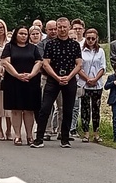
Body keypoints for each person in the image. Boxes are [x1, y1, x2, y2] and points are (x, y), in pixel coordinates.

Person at [32, 17, 82, 148]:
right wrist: (56, 77)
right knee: (45, 108)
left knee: (67, 109)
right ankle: (39, 138)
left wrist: (69, 76)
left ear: (69, 27)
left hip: (69, 79)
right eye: (59, 27)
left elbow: (79, 64)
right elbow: (46, 63)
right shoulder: (50, 44)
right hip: (53, 80)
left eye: (64, 27)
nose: (62, 29)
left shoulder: (75, 45)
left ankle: (65, 139)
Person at [1, 26, 43, 145]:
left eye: (25, 34)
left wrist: (31, 74)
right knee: (16, 109)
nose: (24, 36)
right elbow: (5, 62)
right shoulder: (9, 47)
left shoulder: (33, 48)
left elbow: (39, 62)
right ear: (16, 35)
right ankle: (17, 135)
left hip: (31, 81)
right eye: (21, 33)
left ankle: (29, 135)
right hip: (14, 81)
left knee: (29, 109)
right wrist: (17, 75)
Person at [77, 29, 106, 143]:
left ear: (96, 38)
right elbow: (78, 67)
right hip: (84, 84)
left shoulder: (101, 51)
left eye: (93, 38)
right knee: (85, 109)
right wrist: (87, 79)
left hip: (97, 84)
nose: (90, 41)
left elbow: (103, 67)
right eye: (88, 38)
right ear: (85, 37)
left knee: (96, 109)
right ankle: (86, 133)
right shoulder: (80, 50)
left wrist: (95, 79)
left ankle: (96, 133)